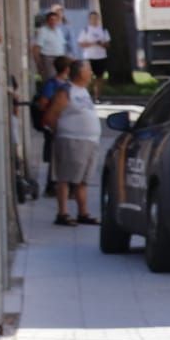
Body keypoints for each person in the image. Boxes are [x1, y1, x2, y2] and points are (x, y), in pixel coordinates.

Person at [44, 60, 101, 226]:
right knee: (66, 177)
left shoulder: (83, 91)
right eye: (88, 70)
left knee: (83, 180)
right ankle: (62, 213)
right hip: (71, 140)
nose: (91, 73)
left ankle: (83, 212)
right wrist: (61, 131)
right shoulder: (66, 91)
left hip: (90, 141)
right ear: (80, 73)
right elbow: (50, 116)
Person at [32, 55, 71, 195]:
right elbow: (43, 103)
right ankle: (52, 185)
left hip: (66, 125)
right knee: (55, 155)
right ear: (66, 69)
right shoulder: (52, 84)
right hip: (54, 126)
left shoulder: (67, 84)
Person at [77, 12, 112, 100]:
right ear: (89, 19)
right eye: (92, 18)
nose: (94, 20)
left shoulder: (103, 30)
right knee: (87, 77)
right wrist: (91, 43)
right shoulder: (85, 30)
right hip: (88, 57)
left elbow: (108, 44)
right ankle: (86, 96)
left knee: (99, 77)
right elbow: (80, 44)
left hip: (101, 57)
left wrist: (101, 44)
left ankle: (97, 96)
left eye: (96, 18)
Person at [32, 9, 68, 81]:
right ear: (47, 21)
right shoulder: (43, 31)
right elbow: (36, 49)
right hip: (48, 59)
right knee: (50, 80)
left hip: (59, 59)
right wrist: (39, 64)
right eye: (51, 20)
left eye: (55, 20)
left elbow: (62, 45)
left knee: (60, 81)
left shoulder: (59, 30)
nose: (53, 22)